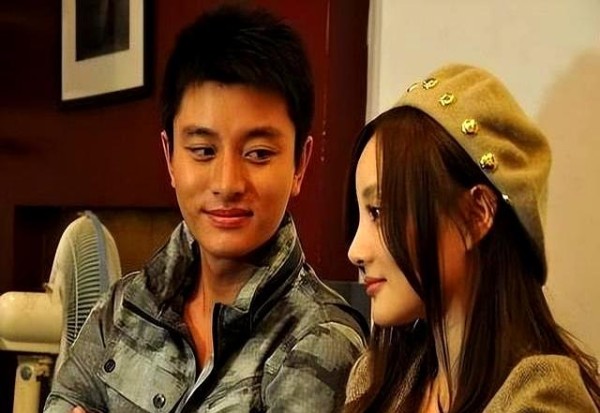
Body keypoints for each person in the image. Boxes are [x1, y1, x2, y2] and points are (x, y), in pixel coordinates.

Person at [44, 5, 367, 413]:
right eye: (203, 150)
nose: (228, 183)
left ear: (300, 165)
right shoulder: (122, 306)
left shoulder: (323, 340)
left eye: (258, 153)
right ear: (170, 157)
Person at [343, 63, 600, 412]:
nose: (355, 251)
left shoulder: (540, 399)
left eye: (379, 211)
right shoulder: (376, 378)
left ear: (476, 215)